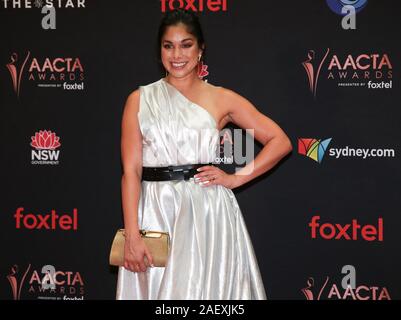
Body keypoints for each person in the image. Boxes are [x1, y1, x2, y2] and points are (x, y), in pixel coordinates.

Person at [116, 8, 292, 300]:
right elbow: (131, 171)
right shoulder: (139, 99)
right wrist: (132, 234)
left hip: (207, 212)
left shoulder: (221, 98)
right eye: (168, 45)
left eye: (186, 45)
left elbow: (279, 141)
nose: (177, 54)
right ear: (159, 50)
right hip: (155, 211)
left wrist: (236, 179)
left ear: (200, 50)